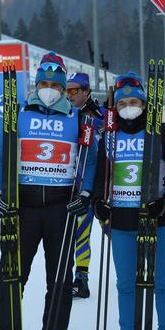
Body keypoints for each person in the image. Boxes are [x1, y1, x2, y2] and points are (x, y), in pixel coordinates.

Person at [0, 52, 97, 330]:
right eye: (44, 84)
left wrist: (86, 193)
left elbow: (89, 160)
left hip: (61, 207)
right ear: (36, 84)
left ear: (65, 89)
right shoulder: (18, 114)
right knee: (11, 279)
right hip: (24, 206)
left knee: (60, 281)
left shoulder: (76, 118)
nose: (49, 89)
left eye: (56, 85)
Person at [92, 73, 165, 330]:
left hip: (154, 216)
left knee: (162, 283)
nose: (129, 107)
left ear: (145, 104)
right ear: (116, 106)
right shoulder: (108, 135)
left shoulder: (161, 132)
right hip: (121, 218)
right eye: (123, 103)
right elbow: (100, 174)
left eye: (135, 102)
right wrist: (99, 202)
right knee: (125, 285)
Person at [65, 72, 96, 299]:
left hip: (101, 185)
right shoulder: (64, 115)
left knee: (116, 231)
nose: (69, 94)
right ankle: (80, 278)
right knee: (80, 233)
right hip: (75, 184)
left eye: (74, 90)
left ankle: (135, 270)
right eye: (67, 90)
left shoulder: (101, 114)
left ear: (86, 92)